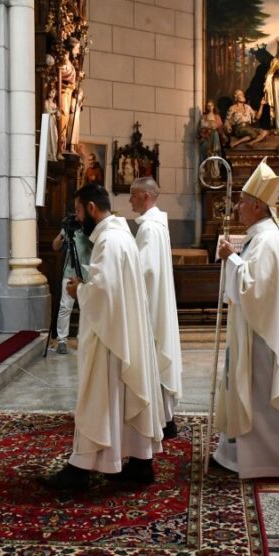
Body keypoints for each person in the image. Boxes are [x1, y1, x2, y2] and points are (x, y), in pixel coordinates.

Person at [39, 184, 165, 491]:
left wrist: (78, 290)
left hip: (109, 337)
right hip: (123, 330)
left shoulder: (108, 241)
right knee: (123, 398)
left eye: (79, 210)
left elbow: (103, 292)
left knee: (99, 398)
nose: (78, 217)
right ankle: (140, 462)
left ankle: (80, 469)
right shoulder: (122, 235)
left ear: (92, 208)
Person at [213, 158, 279, 479]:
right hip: (260, 328)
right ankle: (240, 455)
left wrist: (230, 258)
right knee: (253, 394)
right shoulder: (266, 234)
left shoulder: (267, 239)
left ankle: (269, 461)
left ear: (257, 206)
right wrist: (235, 258)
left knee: (260, 395)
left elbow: (254, 289)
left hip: (263, 336)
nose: (237, 208)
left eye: (242, 201)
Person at [130, 177, 183, 440]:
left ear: (146, 196)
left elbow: (144, 270)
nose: (130, 200)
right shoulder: (157, 224)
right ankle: (166, 418)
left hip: (150, 304)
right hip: (157, 300)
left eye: (133, 195)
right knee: (160, 355)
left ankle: (161, 420)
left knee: (153, 356)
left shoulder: (150, 228)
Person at [50, 217, 93, 354]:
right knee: (65, 307)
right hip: (69, 271)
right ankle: (62, 341)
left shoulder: (90, 226)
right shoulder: (69, 228)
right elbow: (55, 246)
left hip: (86, 272)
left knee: (86, 308)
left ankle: (82, 340)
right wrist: (63, 234)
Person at [198, 100, 224, 181]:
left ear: (213, 107)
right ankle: (205, 172)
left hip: (214, 137)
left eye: (211, 105)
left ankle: (215, 173)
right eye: (208, 106)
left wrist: (218, 129)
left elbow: (220, 129)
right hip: (206, 137)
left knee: (215, 153)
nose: (210, 107)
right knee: (205, 154)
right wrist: (206, 129)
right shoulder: (204, 117)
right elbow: (200, 129)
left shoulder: (217, 117)